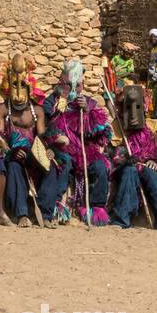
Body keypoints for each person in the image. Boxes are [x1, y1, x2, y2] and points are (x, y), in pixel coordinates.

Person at [38, 60, 112, 226]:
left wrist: (86, 111)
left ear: (82, 84)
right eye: (69, 85)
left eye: (78, 85)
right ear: (61, 82)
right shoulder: (52, 101)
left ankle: (96, 208)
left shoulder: (88, 102)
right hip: (63, 149)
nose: (74, 90)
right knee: (63, 165)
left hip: (86, 150)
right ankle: (57, 205)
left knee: (100, 166)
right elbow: (46, 127)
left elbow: (103, 130)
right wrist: (59, 108)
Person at [0, 54, 47, 227]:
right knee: (13, 166)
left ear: (30, 87)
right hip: (11, 155)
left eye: (23, 85)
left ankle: (47, 213)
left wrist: (36, 154)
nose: (19, 95)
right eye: (15, 85)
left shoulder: (37, 110)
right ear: (8, 86)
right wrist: (10, 152)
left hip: (33, 156)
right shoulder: (2, 109)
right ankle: (22, 214)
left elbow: (43, 138)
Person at [108, 84, 157, 229]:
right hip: (126, 166)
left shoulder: (152, 125)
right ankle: (121, 220)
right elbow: (112, 153)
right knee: (129, 172)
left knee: (151, 173)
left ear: (143, 107)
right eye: (127, 108)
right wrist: (124, 158)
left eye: (136, 108)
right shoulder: (117, 126)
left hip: (147, 163)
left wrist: (155, 159)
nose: (132, 114)